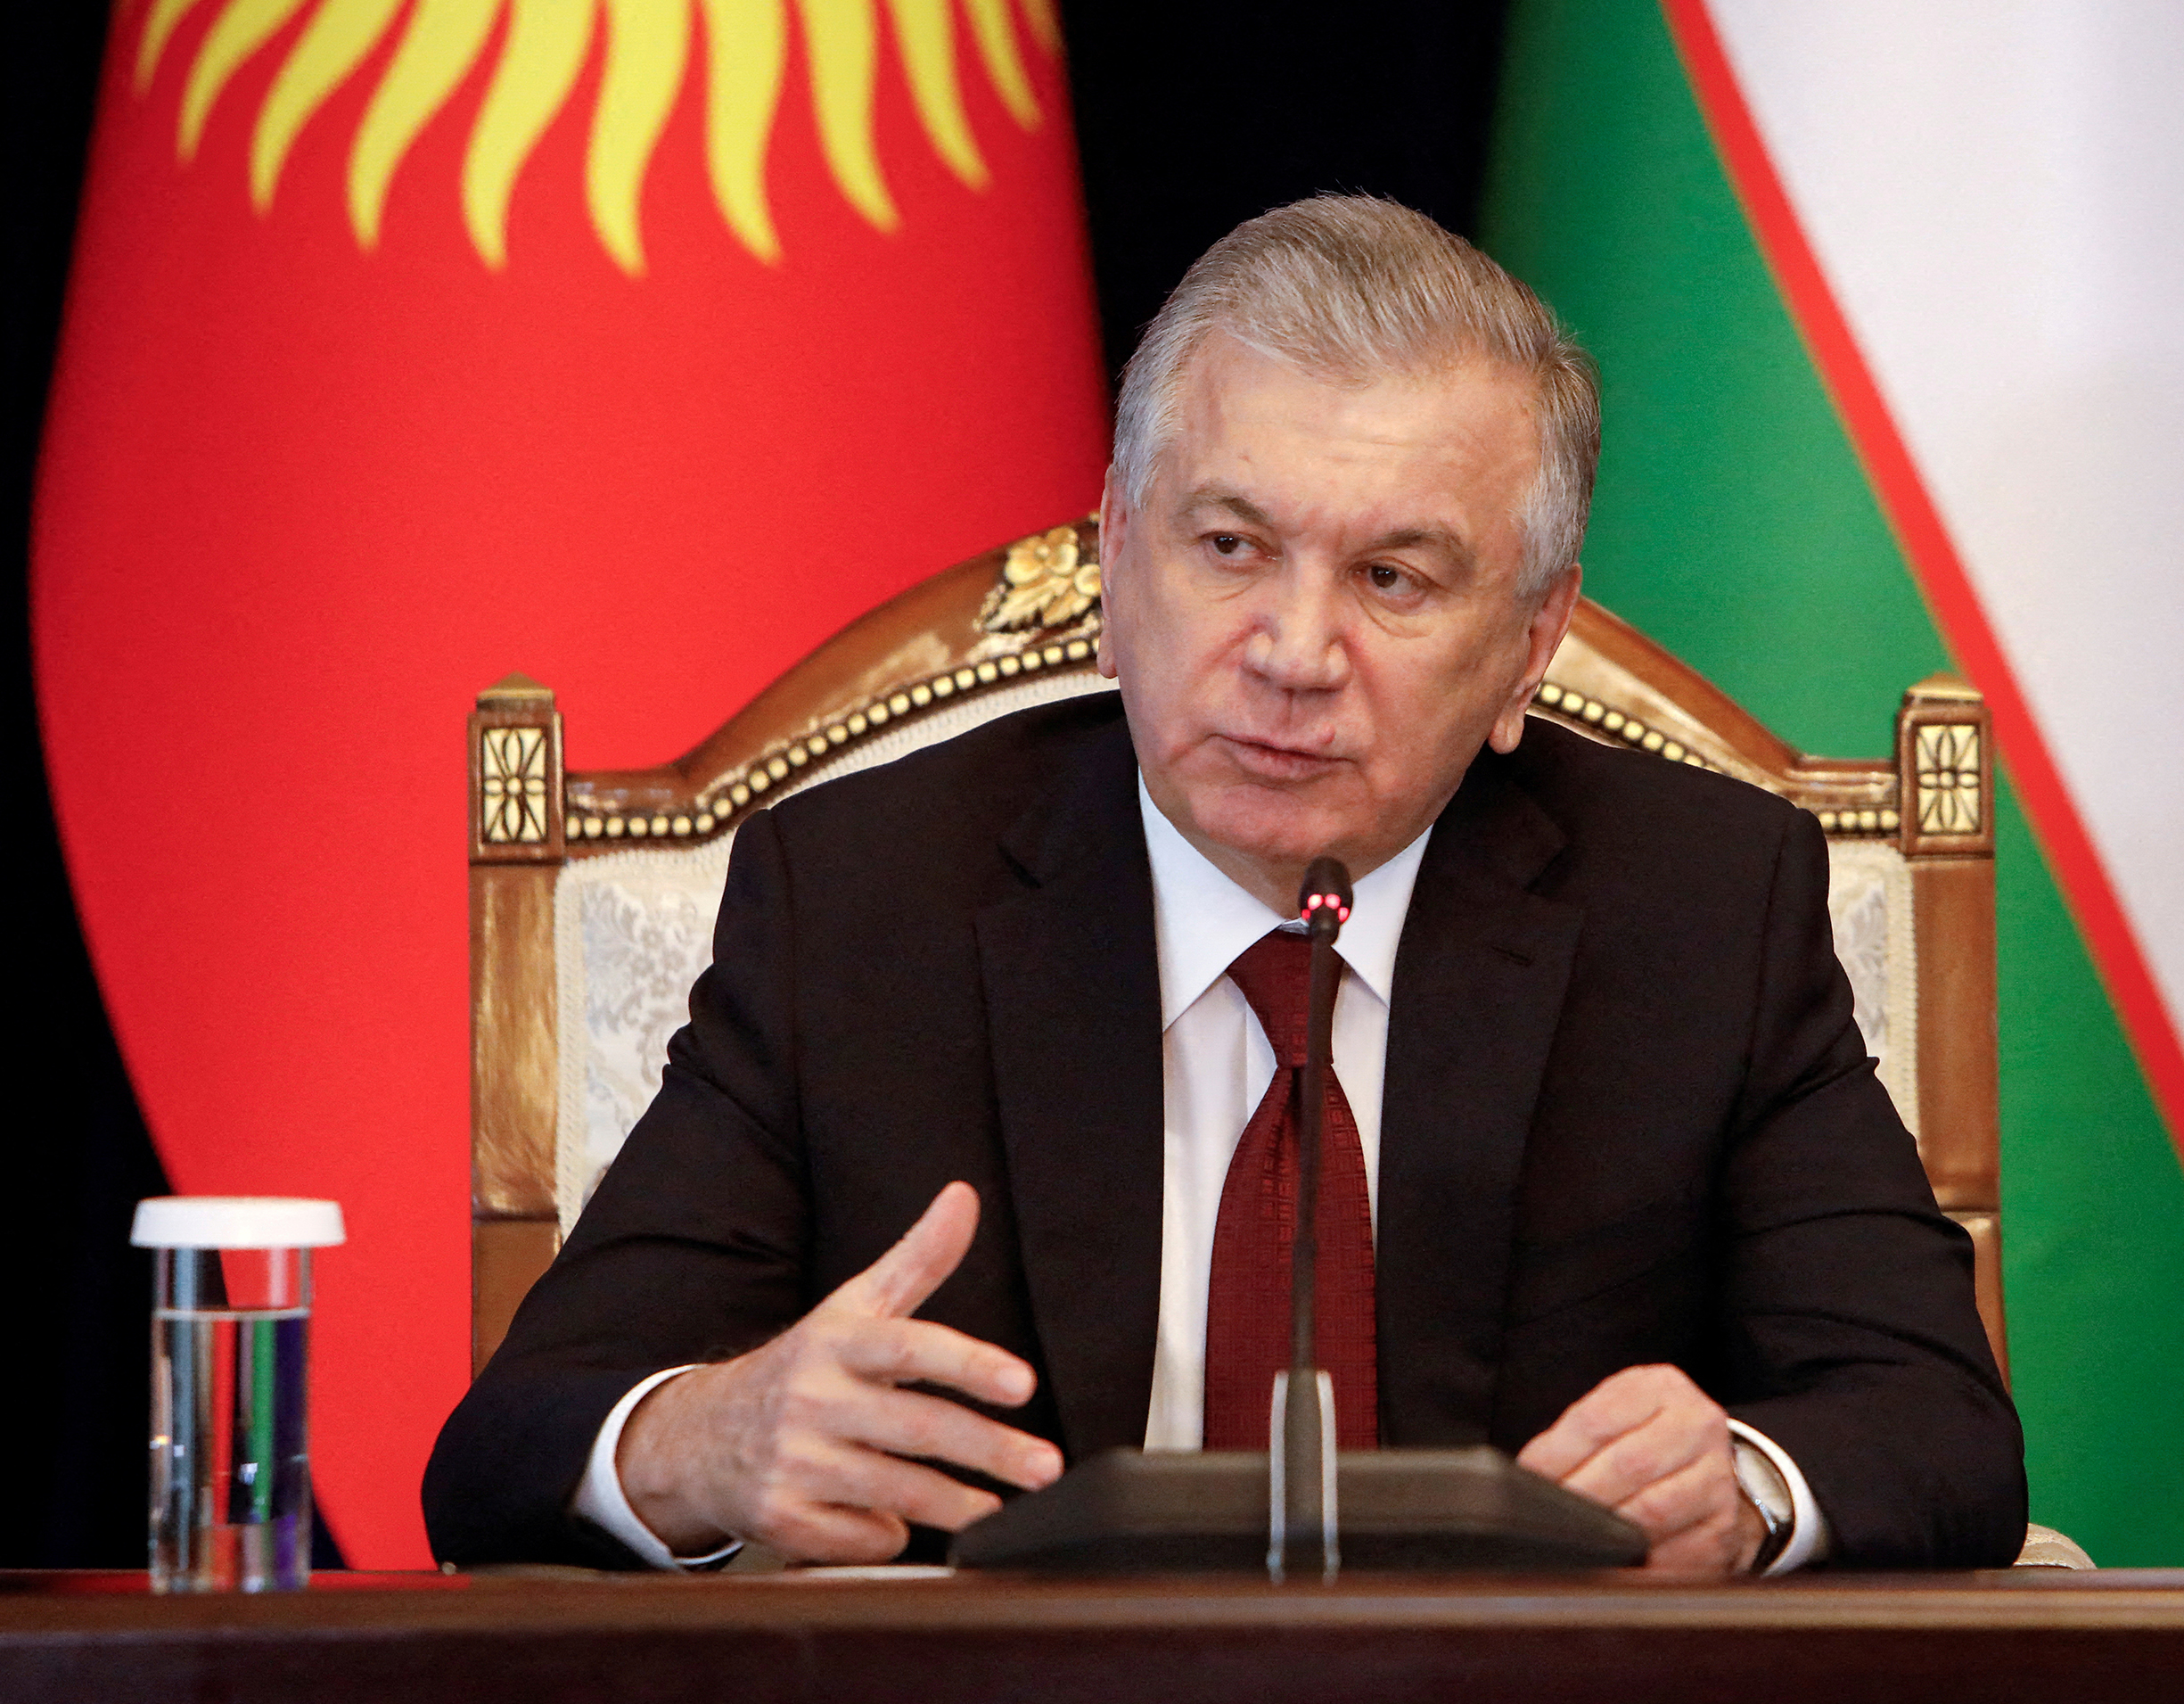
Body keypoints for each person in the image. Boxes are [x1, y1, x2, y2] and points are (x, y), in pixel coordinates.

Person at [424, 196, 2024, 1575]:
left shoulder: (1698, 907)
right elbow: (507, 1453)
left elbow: (1938, 1422)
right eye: (1230, 546)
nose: (1293, 654)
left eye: (1394, 578)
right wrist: (707, 1441)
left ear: (1530, 646)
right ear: (1118, 562)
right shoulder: (865, 903)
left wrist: (1740, 1490)